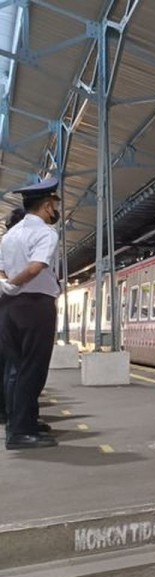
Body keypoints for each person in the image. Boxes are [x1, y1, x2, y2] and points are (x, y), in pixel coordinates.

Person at [0, 178, 61, 449]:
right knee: (32, 369)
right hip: (35, 306)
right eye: (54, 205)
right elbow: (36, 267)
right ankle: (21, 432)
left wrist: (7, 286)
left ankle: (21, 422)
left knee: (15, 367)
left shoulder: (10, 235)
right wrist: (15, 284)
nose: (54, 211)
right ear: (47, 205)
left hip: (8, 307)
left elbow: (1, 270)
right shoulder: (46, 233)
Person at [0, 207, 26, 426]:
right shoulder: (13, 246)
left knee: (10, 368)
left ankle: (12, 416)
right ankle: (17, 421)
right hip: (12, 311)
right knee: (14, 369)